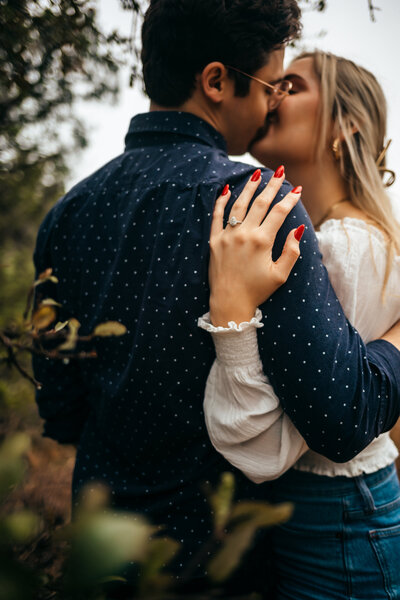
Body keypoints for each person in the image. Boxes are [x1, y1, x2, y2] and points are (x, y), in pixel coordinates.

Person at [32, 0, 400, 593]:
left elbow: (59, 406)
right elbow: (342, 416)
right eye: (269, 84)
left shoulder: (66, 215)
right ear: (216, 81)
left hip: (101, 549)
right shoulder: (256, 204)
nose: (272, 102)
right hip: (218, 557)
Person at [201, 51, 400, 598]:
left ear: (345, 124)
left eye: (292, 84)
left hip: (336, 511)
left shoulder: (340, 247)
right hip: (336, 504)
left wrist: (232, 312)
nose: (273, 92)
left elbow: (271, 446)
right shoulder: (351, 236)